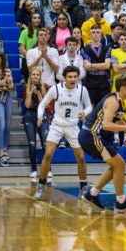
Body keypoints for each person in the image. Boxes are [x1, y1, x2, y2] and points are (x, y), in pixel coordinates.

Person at [78, 73, 126, 212]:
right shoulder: (113, 101)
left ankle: (92, 194)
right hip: (92, 135)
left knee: (116, 166)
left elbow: (119, 120)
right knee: (119, 164)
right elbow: (106, 125)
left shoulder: (121, 103)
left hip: (100, 137)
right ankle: (121, 201)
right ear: (123, 88)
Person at [34, 66, 92, 200]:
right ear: (65, 78)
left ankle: (83, 187)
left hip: (73, 126)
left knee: (81, 158)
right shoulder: (56, 89)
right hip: (57, 126)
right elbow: (42, 104)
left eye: (75, 77)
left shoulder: (83, 90)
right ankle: (41, 186)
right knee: (48, 154)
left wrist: (85, 112)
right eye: (70, 77)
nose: (73, 79)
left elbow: (89, 106)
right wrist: (40, 116)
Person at [22, 68, 51, 181]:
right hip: (30, 116)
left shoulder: (45, 87)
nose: (35, 76)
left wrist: (38, 93)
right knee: (32, 143)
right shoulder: (26, 87)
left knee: (45, 143)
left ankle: (48, 169)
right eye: (33, 74)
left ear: (40, 76)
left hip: (42, 116)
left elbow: (45, 105)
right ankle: (34, 169)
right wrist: (30, 94)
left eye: (37, 74)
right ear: (30, 76)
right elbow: (28, 106)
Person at [81, 25, 112, 107]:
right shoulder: (85, 49)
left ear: (101, 34)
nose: (95, 34)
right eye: (93, 32)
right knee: (90, 107)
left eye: (98, 32)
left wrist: (91, 65)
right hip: (90, 81)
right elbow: (86, 67)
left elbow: (107, 65)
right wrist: (102, 65)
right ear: (90, 34)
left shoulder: (107, 48)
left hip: (104, 81)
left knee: (104, 107)